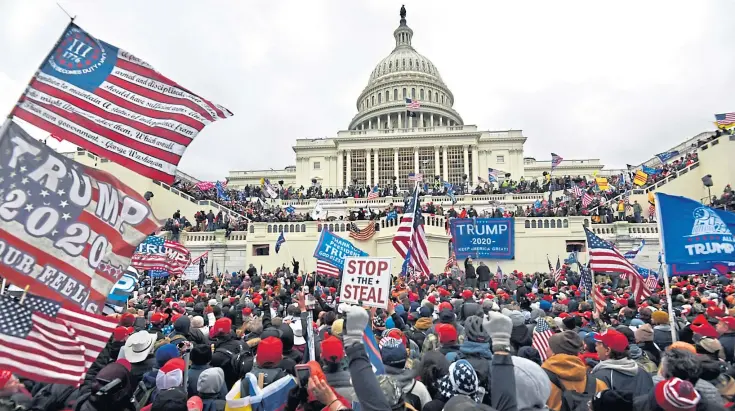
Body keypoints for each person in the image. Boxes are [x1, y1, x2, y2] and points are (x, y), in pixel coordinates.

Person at [590, 329, 653, 396]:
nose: (596, 348)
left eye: (597, 345)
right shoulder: (643, 372)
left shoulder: (600, 377)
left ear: (607, 350)